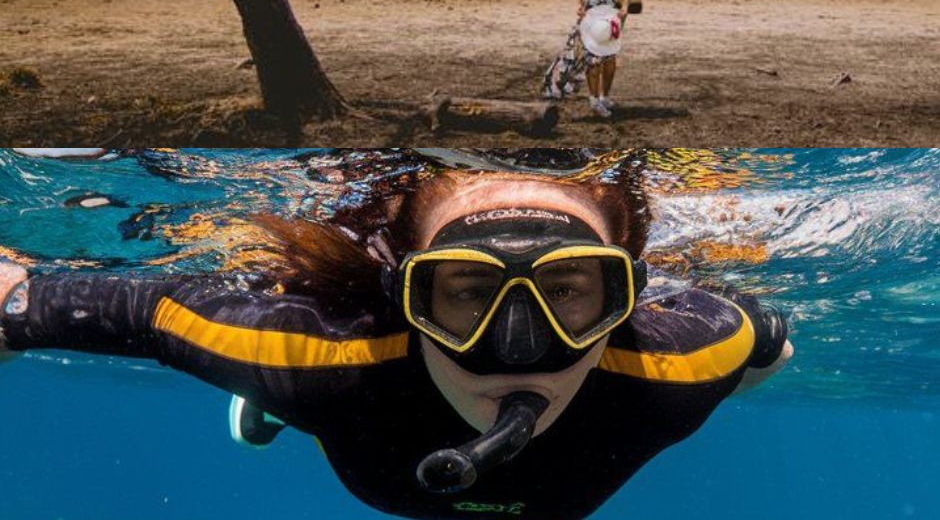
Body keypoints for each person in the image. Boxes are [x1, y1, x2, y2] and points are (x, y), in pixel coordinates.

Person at [0, 151, 792, 520]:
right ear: (404, 292)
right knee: (278, 375)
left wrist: (755, 359)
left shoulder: (679, 363)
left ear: (626, 296)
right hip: (342, 420)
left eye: (571, 292)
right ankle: (265, 411)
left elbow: (762, 338)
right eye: (467, 293)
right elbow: (130, 308)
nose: (518, 347)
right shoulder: (319, 360)